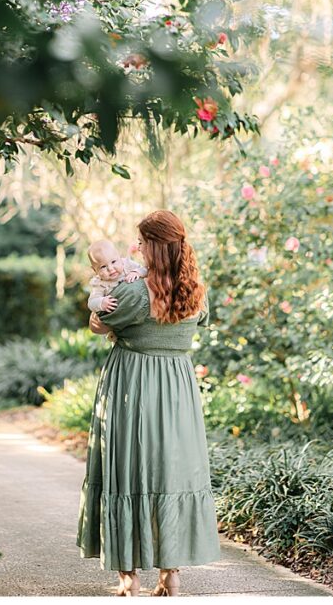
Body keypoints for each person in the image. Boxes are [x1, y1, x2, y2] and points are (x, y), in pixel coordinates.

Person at [77, 210, 221, 596]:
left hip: (133, 386)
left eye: (141, 241)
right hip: (177, 391)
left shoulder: (133, 292)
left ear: (155, 247)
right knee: (169, 473)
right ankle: (170, 574)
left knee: (128, 471)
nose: (135, 247)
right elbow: (200, 319)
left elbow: (100, 322)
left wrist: (99, 320)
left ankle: (128, 578)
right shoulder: (192, 290)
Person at [86, 239, 147, 324]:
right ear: (94, 270)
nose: (110, 269)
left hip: (137, 308)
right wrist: (101, 302)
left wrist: (137, 272)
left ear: (119, 257)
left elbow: (146, 270)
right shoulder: (99, 284)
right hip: (118, 318)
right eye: (103, 266)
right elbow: (91, 303)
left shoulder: (127, 264)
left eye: (113, 262)